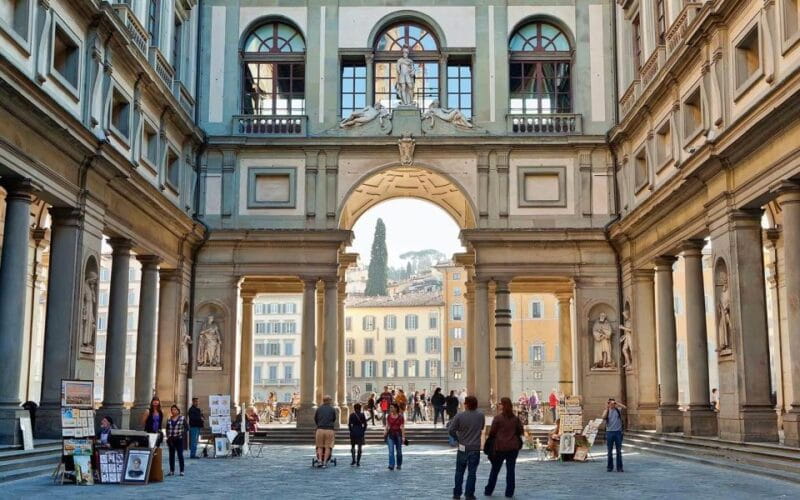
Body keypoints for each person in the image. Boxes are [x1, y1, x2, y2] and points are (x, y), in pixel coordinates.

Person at [484, 397, 524, 498]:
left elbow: (492, 432)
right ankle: (509, 492)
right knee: (511, 470)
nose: (499, 405)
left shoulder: (498, 418)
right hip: (513, 447)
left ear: (503, 405)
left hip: (500, 447)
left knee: (495, 470)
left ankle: (489, 490)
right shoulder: (515, 419)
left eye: (500, 404)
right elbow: (520, 431)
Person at [449, 396, 485, 499]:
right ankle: (469, 494)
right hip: (474, 447)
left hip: (462, 446)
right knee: (472, 473)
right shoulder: (480, 415)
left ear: (466, 404)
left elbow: (451, 430)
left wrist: (458, 438)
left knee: (459, 472)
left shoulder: (459, 416)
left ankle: (457, 494)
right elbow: (481, 427)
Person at [602, 398, 627, 472]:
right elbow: (603, 417)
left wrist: (617, 403)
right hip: (609, 432)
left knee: (618, 451)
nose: (612, 404)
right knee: (609, 451)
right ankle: (610, 467)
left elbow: (625, 407)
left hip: (618, 433)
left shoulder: (618, 410)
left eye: (613, 403)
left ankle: (619, 467)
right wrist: (607, 408)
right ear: (608, 403)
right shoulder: (606, 411)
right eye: (610, 403)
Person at [314, 395, 337, 468]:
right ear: (329, 401)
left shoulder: (318, 409)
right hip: (329, 429)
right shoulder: (332, 409)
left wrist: (319, 424)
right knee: (328, 447)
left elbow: (315, 419)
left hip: (320, 429)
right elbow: (334, 419)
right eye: (330, 400)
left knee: (319, 446)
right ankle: (325, 462)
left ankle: (320, 460)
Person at [166, 405, 187, 476]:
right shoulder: (169, 419)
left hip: (179, 439)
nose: (173, 411)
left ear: (178, 410)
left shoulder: (182, 418)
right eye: (172, 409)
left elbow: (187, 428)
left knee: (180, 455)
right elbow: (167, 428)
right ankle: (172, 470)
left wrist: (182, 435)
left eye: (175, 409)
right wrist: (168, 437)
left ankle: (182, 471)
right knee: (171, 455)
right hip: (171, 439)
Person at [384, 403, 405, 470]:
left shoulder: (400, 417)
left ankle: (399, 464)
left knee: (399, 451)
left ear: (396, 408)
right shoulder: (388, 416)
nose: (390, 409)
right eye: (390, 407)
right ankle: (391, 465)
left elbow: (402, 427)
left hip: (398, 435)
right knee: (391, 451)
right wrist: (385, 432)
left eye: (392, 407)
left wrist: (403, 437)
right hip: (390, 435)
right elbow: (387, 425)